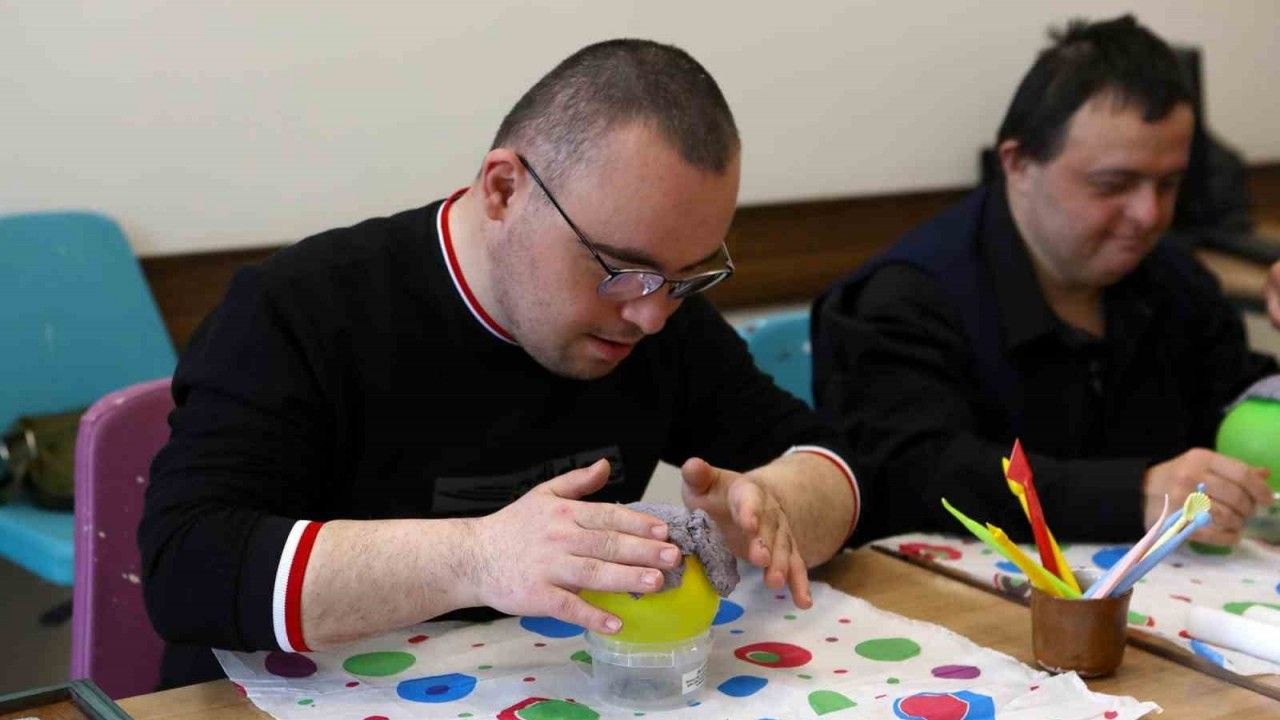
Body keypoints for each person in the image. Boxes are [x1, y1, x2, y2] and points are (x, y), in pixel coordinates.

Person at [139, 39, 860, 688]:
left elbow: (833, 462)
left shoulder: (660, 310)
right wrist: (478, 557)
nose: (650, 317)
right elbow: (188, 568)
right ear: (504, 190)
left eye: (688, 277)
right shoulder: (300, 309)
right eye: (620, 269)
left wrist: (779, 507)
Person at [812, 16, 1274, 549]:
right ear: (1018, 164)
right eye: (1114, 184)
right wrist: (1133, 494)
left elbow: (1241, 402)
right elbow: (915, 478)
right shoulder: (899, 301)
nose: (1149, 215)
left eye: (1169, 184)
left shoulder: (1176, 279)